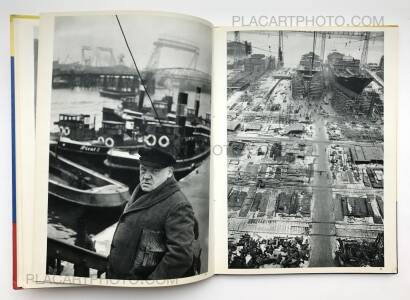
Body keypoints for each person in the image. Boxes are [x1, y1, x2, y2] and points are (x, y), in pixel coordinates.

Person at [107, 147, 197, 280]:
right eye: (143, 170)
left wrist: (150, 286)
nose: (146, 177)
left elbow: (181, 256)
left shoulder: (178, 206)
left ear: (169, 172)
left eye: (155, 171)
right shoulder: (140, 191)